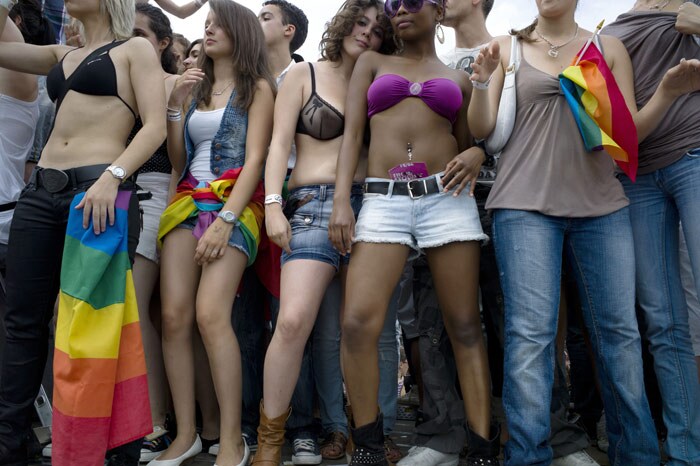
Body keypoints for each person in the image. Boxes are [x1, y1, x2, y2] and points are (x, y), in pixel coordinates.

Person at [468, 0, 700, 463]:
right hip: (523, 204)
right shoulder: (506, 47)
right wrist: (478, 81)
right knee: (530, 336)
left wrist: (669, 93)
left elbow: (626, 133)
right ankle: (527, 454)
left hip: (602, 207)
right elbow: (482, 129)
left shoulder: (606, 45)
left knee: (620, 334)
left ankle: (635, 453)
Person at [329, 0, 497, 464]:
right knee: (357, 323)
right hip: (383, 199)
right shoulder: (372, 62)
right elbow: (352, 138)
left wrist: (480, 154)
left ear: (438, 11)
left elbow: (469, 143)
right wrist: (343, 199)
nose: (400, 8)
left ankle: (481, 447)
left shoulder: (459, 76)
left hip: (446, 198)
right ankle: (367, 445)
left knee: (464, 325)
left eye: (413, 1)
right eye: (392, 4)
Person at [0, 0, 166, 462]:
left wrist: (113, 177)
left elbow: (153, 128)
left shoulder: (135, 49)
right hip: (39, 194)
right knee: (22, 323)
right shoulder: (60, 54)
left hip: (98, 194)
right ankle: (8, 442)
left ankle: (111, 450)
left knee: (98, 324)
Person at [254, 1, 394, 465]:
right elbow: (277, 144)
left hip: (373, 210)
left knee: (365, 331)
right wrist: (273, 204)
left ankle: (370, 435)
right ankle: (270, 442)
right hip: (311, 207)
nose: (367, 33)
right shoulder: (304, 73)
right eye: (361, 21)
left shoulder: (383, 81)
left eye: (378, 29)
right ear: (344, 21)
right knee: (293, 322)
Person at [151, 1, 275, 465]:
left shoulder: (257, 87)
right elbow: (180, 159)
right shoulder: (196, 88)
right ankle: (186, 435)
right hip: (186, 199)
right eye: (206, 25)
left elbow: (258, 159)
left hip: (234, 207)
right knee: (174, 318)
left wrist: (226, 221)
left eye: (217, 23)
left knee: (209, 315)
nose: (209, 30)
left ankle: (231, 439)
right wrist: (175, 106)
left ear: (239, 31)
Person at [603, 1, 700, 462]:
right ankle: (686, 451)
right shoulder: (612, 26)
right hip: (637, 178)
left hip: (694, 156)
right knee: (661, 320)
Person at [128, 3, 181, 463]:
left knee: (139, 303)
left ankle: (156, 423)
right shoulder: (118, 75)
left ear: (164, 44)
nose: (131, 40)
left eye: (141, 34)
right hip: (114, 193)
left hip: (154, 190)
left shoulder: (168, 83)